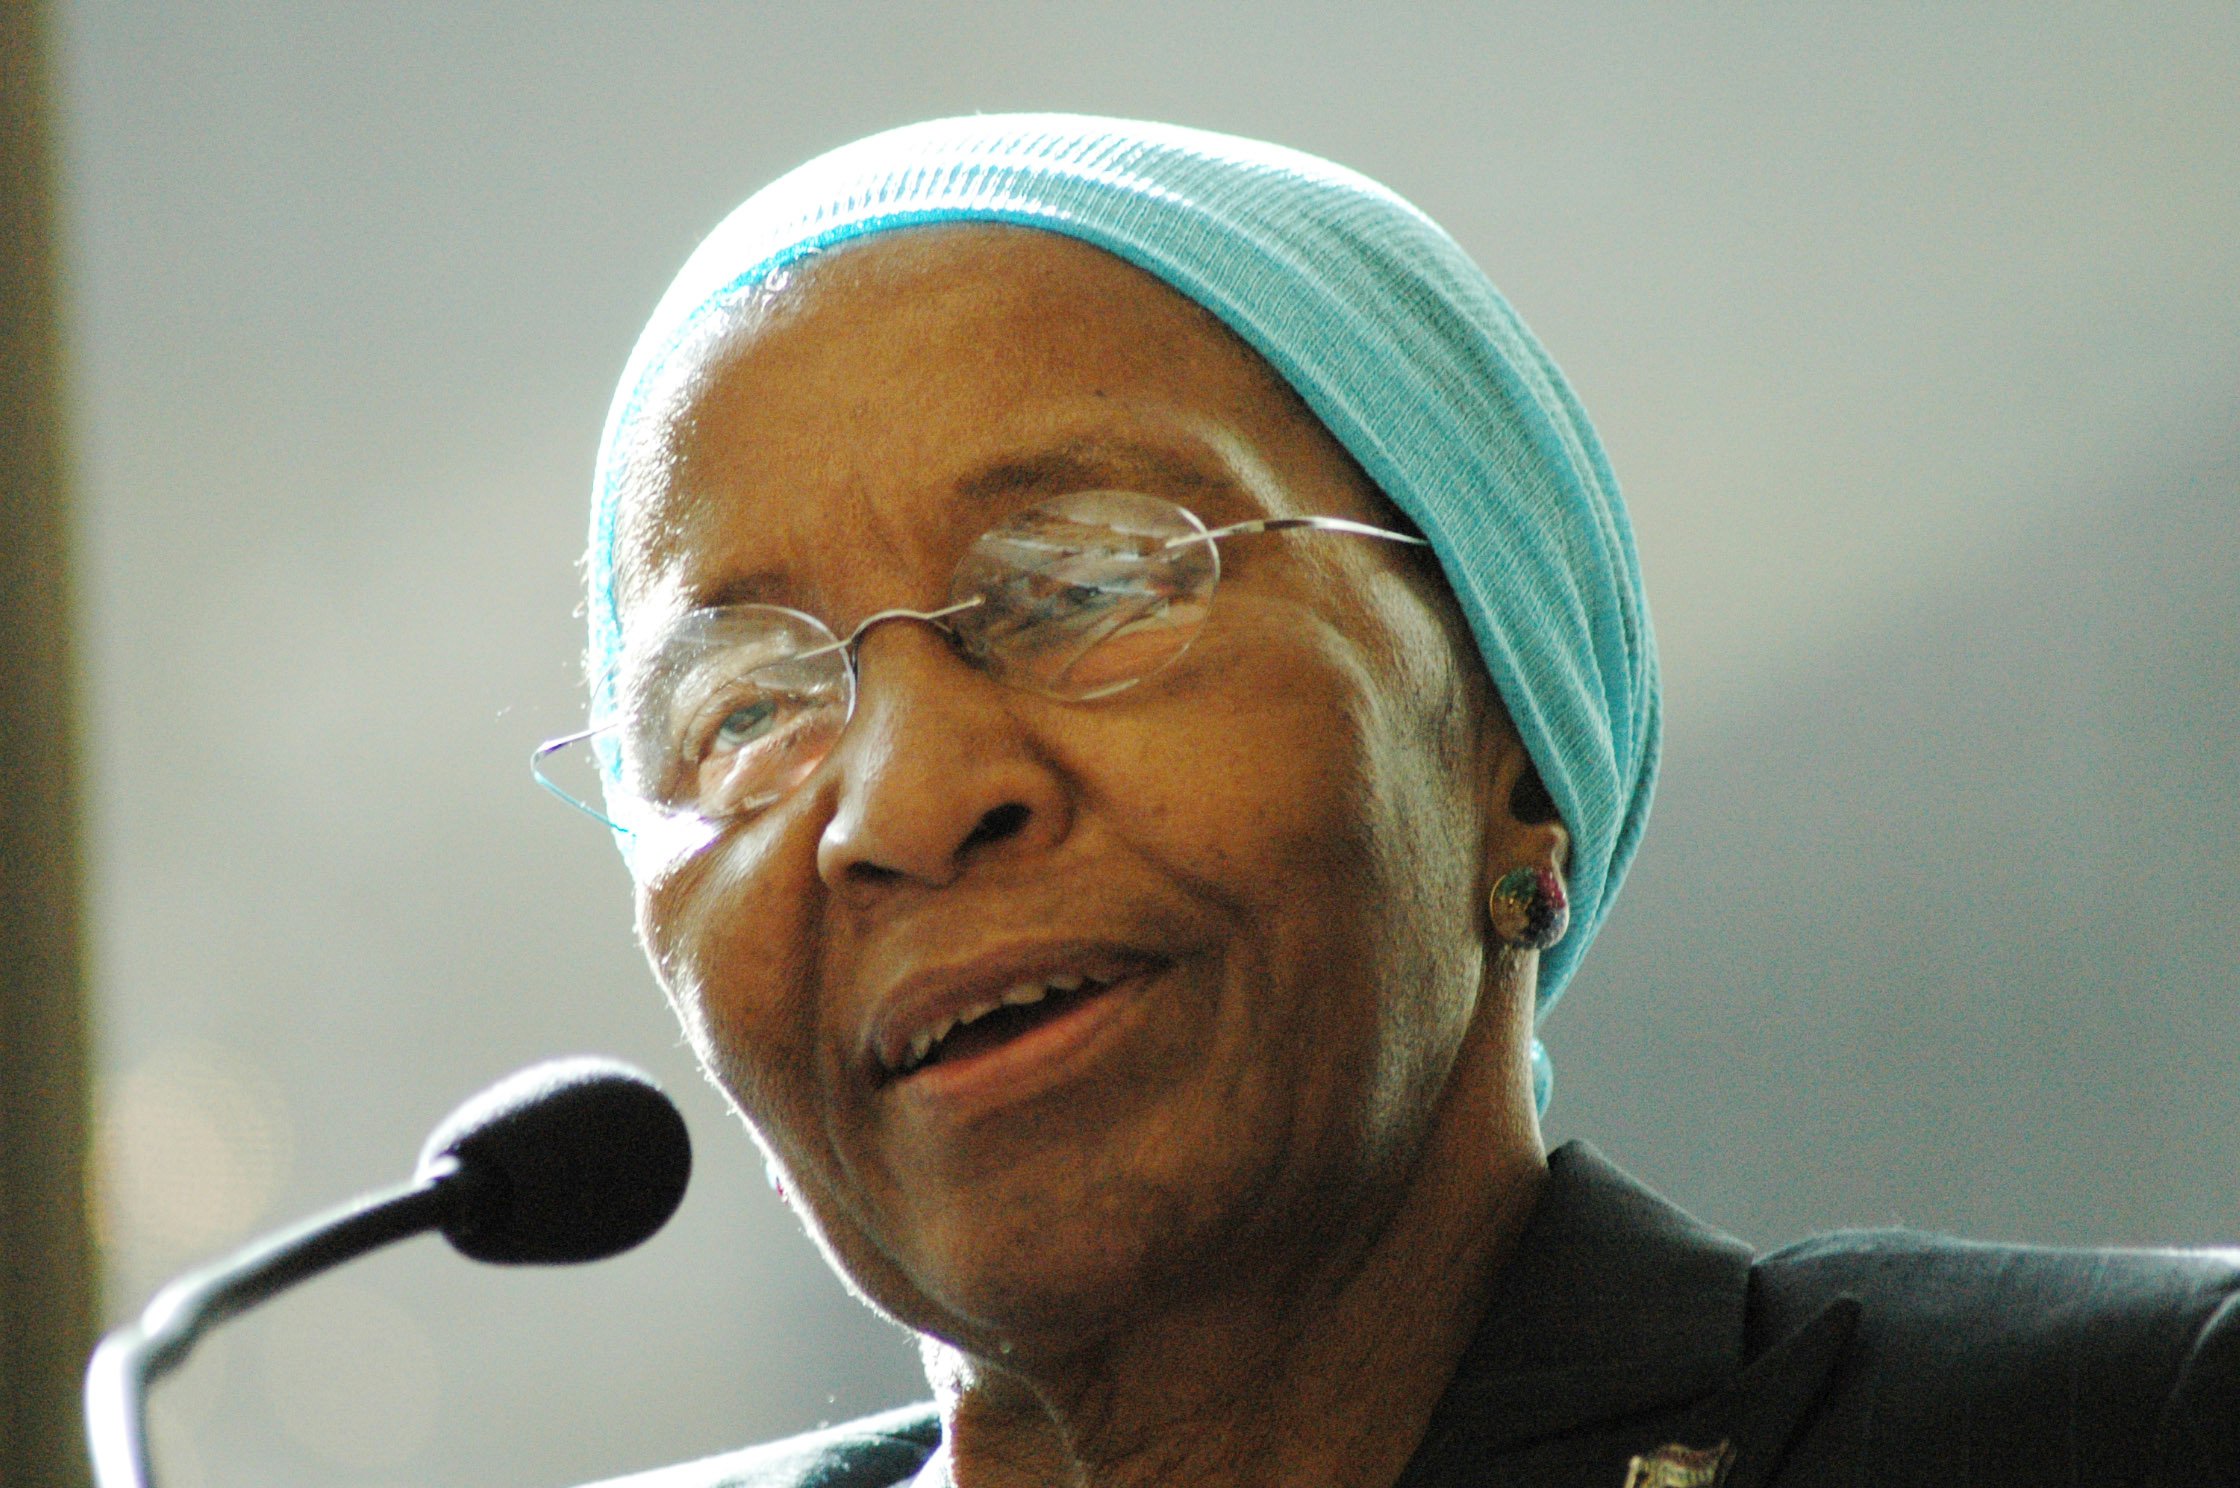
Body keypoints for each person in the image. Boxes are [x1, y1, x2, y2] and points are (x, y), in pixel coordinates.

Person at [549, 116, 2238, 1488]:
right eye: (742, 711)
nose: (904, 805)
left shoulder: (2125, 1427)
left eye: (1086, 583)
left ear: (1511, 749)